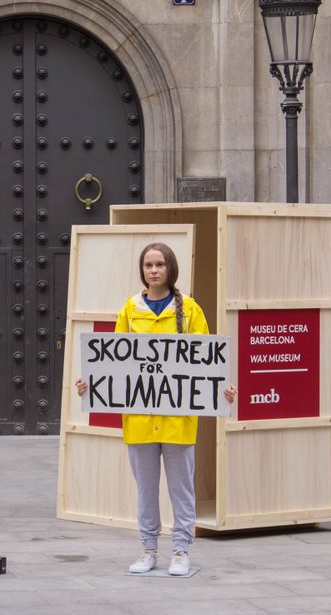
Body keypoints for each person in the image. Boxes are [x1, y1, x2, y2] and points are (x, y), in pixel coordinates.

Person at [76, 242, 236, 576]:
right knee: (146, 490)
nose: (153, 270)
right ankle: (148, 549)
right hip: (139, 420)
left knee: (181, 488)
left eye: (159, 264)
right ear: (142, 270)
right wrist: (91, 384)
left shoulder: (190, 309)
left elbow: (204, 360)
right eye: (148, 265)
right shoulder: (130, 309)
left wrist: (222, 389)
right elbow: (114, 362)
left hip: (178, 419)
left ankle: (181, 550)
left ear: (170, 268)